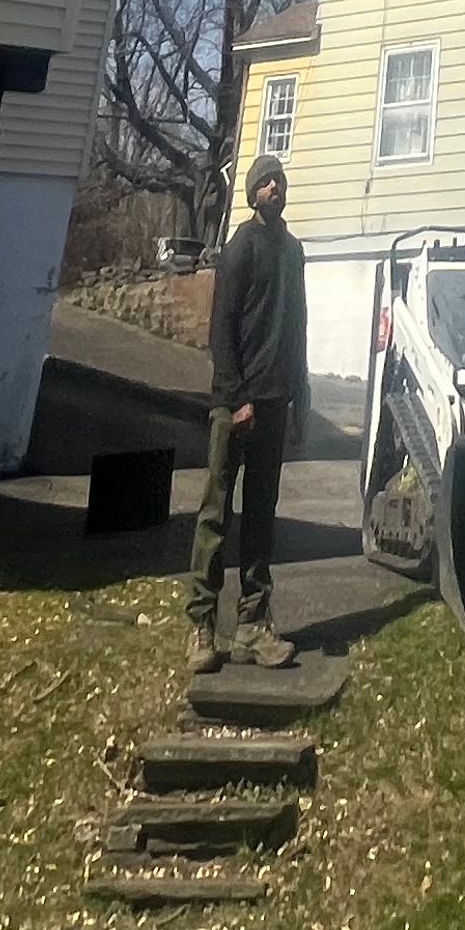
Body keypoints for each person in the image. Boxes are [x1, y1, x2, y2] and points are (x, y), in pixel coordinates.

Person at [186, 155, 306, 673]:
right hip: (234, 405)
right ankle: (201, 625)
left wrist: (300, 395)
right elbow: (221, 329)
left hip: (277, 401)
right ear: (253, 192)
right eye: (265, 181)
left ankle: (253, 626)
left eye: (279, 181)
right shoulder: (239, 248)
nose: (273, 187)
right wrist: (236, 400)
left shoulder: (293, 250)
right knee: (216, 513)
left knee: (261, 514)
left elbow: (298, 326)